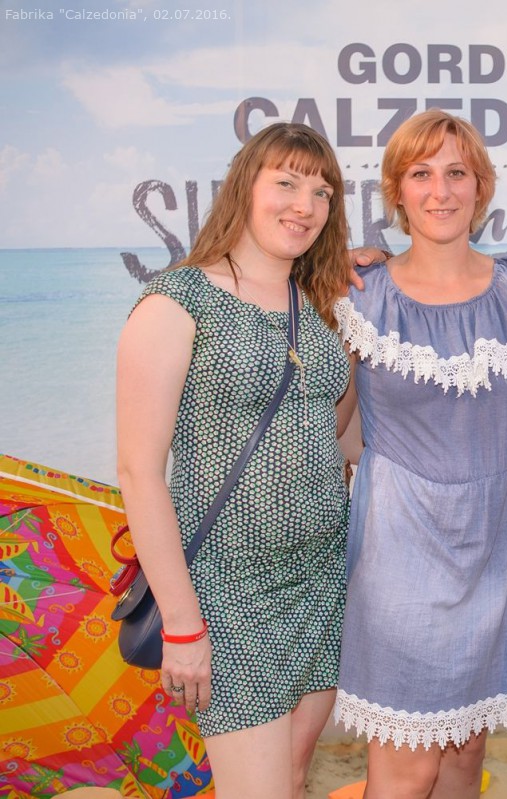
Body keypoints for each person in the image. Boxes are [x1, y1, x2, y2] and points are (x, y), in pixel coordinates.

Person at [115, 122, 353, 798]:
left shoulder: (320, 308)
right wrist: (183, 622)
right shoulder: (176, 302)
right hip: (228, 592)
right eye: (287, 183)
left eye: (322, 192)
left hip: (322, 579)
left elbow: (339, 438)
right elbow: (138, 472)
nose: (305, 205)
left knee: (295, 777)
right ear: (245, 187)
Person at [331, 109, 507, 798]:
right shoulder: (360, 294)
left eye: (457, 172)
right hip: (398, 553)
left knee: (466, 756)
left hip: (495, 551)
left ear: (481, 186)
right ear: (396, 191)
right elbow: (332, 429)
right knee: (407, 770)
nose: (441, 190)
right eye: (421, 173)